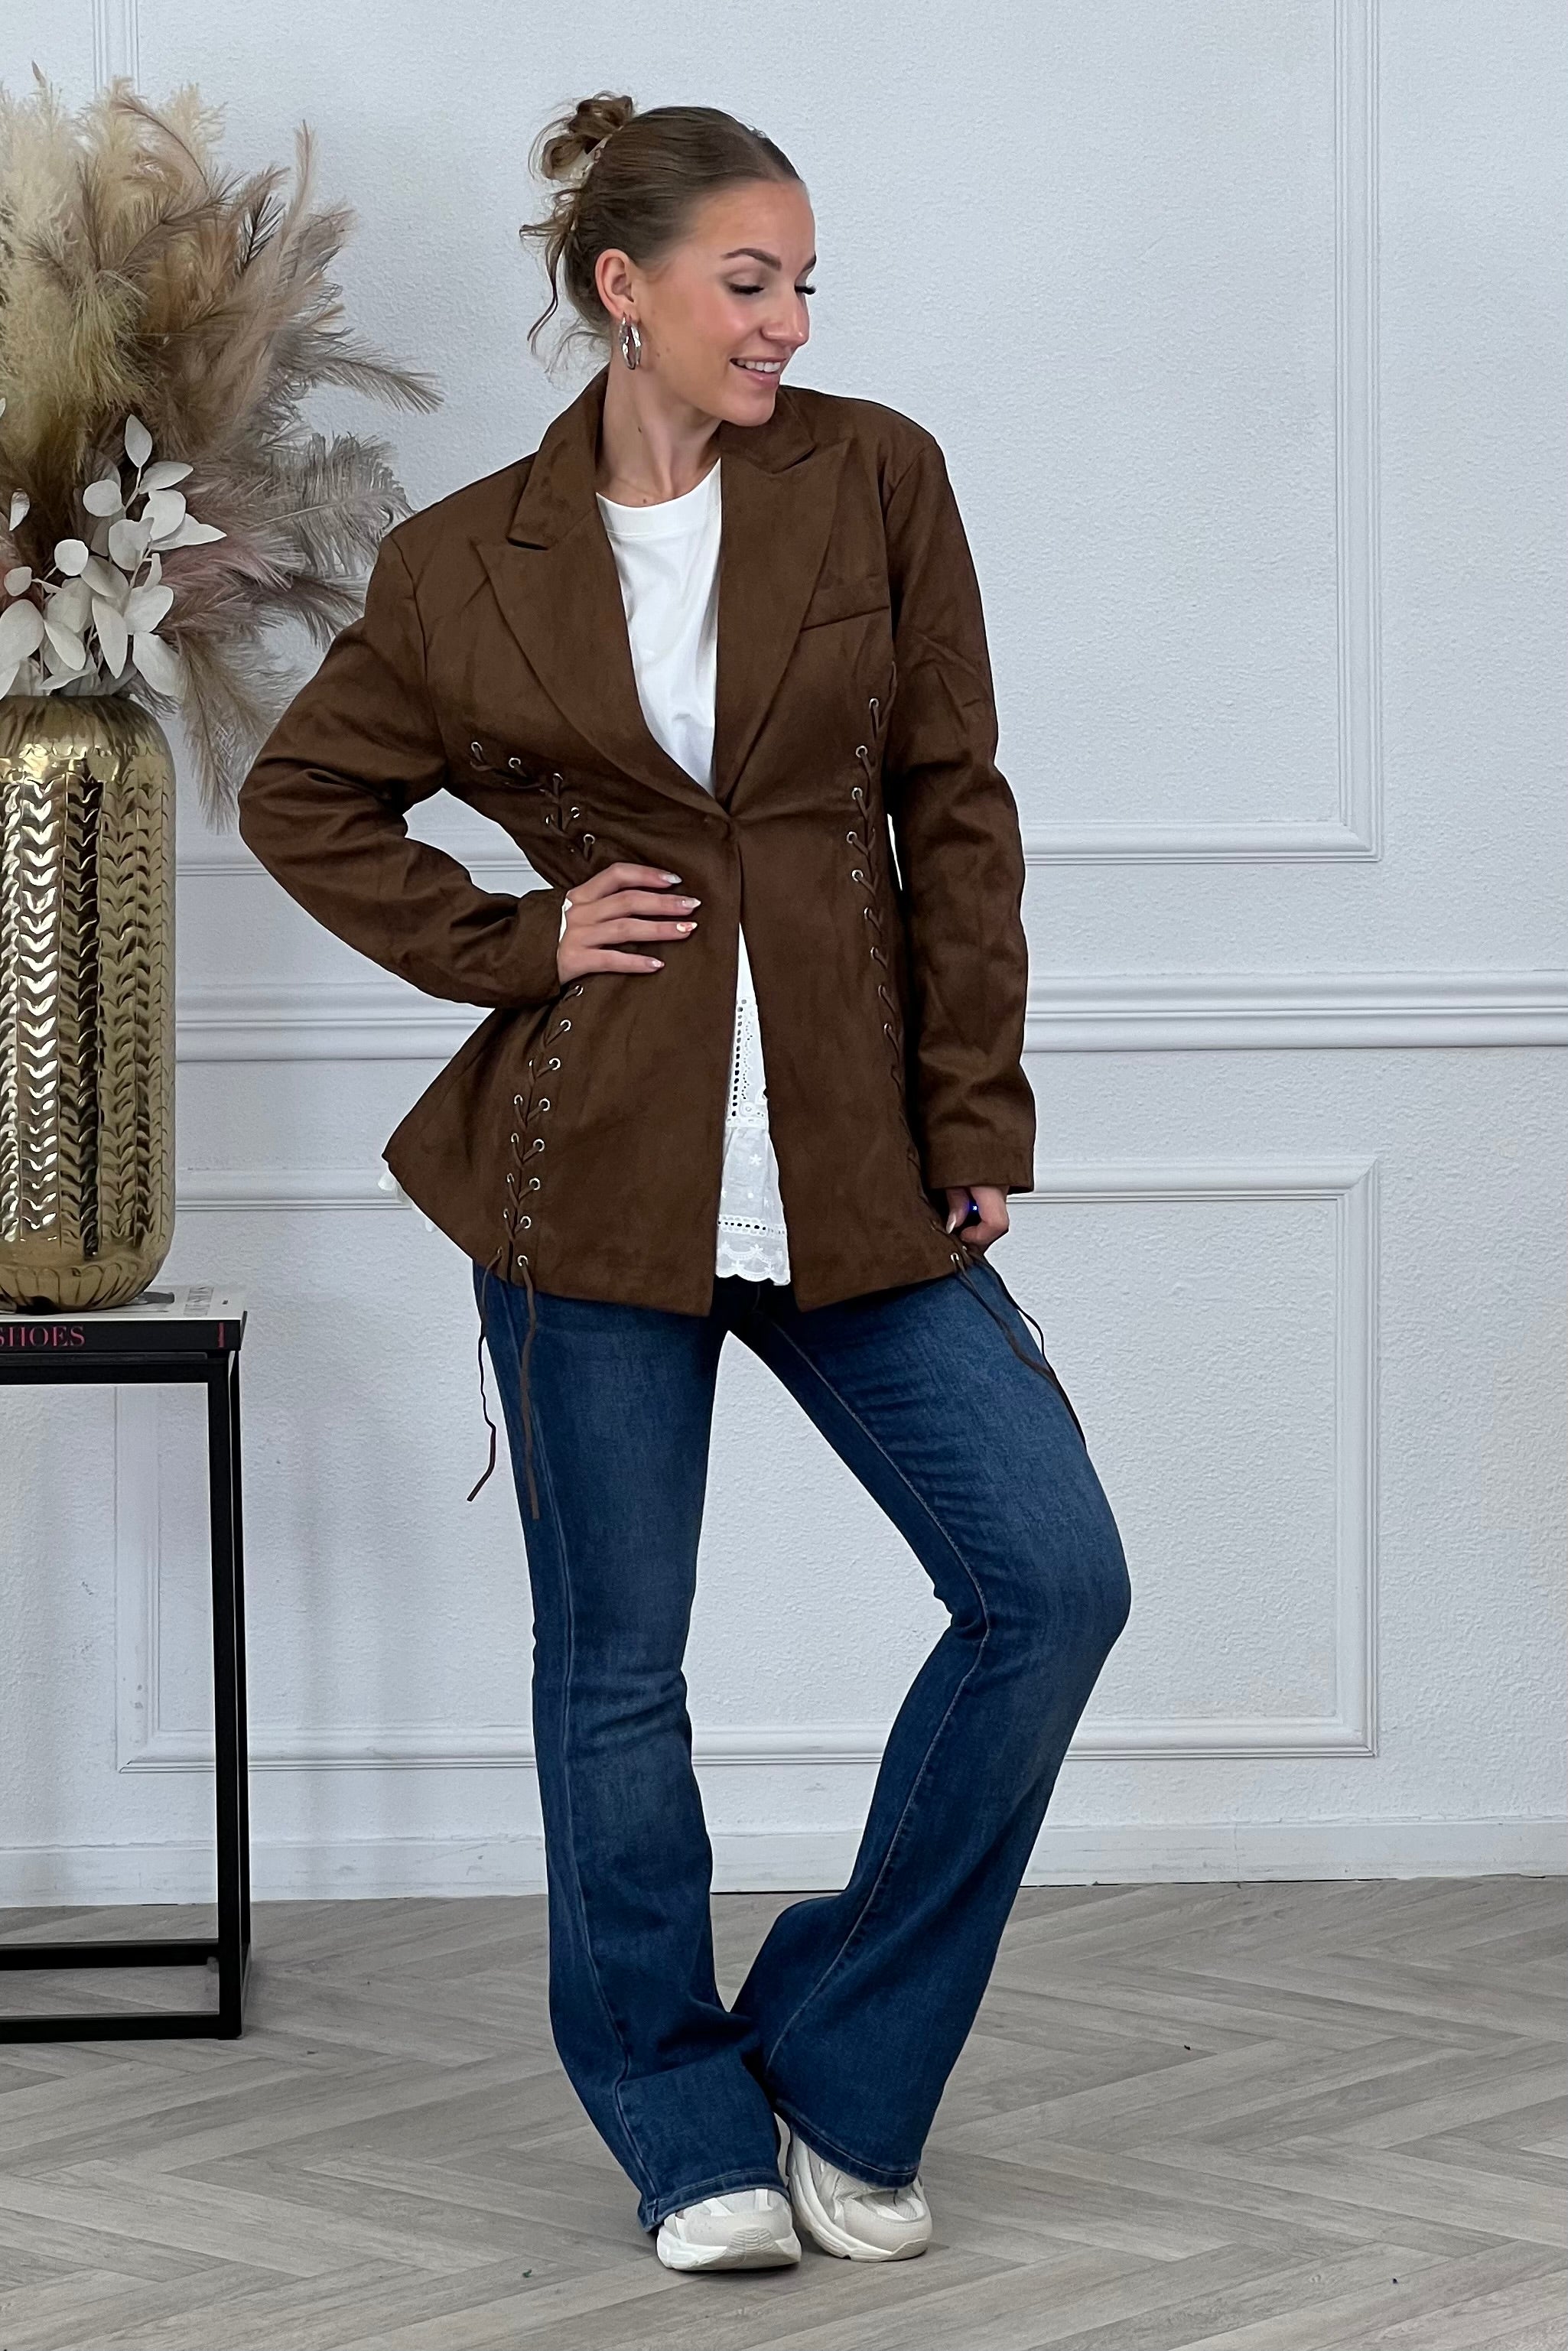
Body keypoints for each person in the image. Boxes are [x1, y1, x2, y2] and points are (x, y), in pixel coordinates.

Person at [236, 91, 1131, 2276]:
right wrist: (516, 937)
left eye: (805, 282)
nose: (789, 321)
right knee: (618, 1675)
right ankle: (676, 2118)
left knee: (1051, 1580)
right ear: (621, 288)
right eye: (751, 281)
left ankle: (836, 2062)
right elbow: (303, 795)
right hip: (592, 1175)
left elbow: (957, 805)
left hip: (854, 1161)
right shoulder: (468, 560)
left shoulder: (876, 478)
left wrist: (974, 1113)